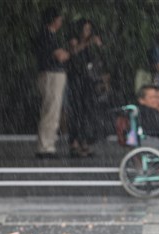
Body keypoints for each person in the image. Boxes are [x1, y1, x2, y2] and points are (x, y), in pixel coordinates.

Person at [66, 19, 109, 157]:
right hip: (77, 79)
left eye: (89, 29)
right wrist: (88, 43)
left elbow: (98, 60)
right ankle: (74, 143)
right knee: (77, 111)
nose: (88, 32)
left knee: (87, 111)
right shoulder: (74, 40)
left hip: (89, 80)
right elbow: (74, 52)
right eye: (85, 29)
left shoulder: (91, 44)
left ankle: (84, 142)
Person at [35, 7, 70, 158]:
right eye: (59, 18)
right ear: (54, 20)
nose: (61, 21)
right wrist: (70, 51)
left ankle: (47, 144)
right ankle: (45, 146)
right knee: (51, 110)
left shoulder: (47, 35)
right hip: (52, 74)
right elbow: (60, 56)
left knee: (51, 110)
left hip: (50, 74)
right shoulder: (47, 35)